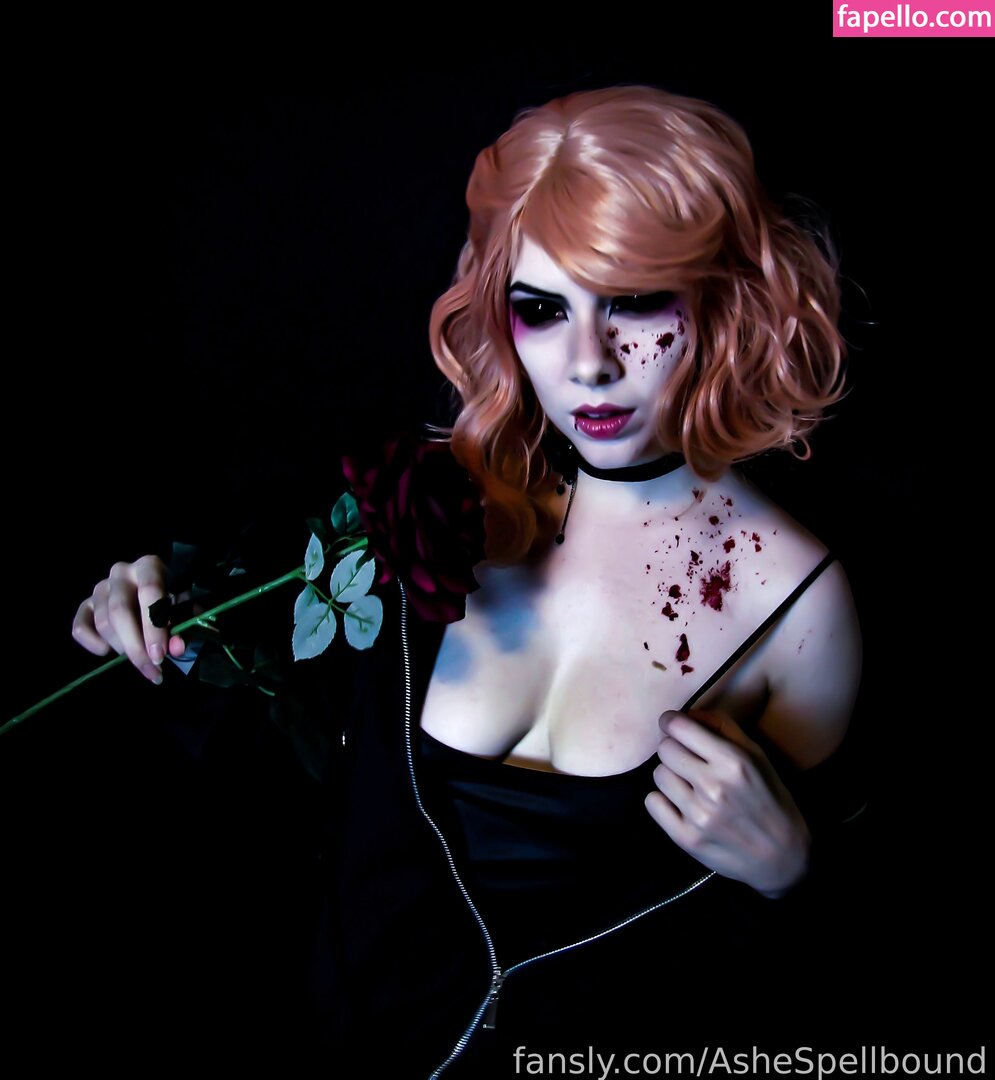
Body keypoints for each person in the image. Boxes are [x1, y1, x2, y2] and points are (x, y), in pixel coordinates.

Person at [71, 85, 863, 1076]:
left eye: (633, 300)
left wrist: (792, 872)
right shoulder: (431, 505)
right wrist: (168, 624)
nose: (588, 363)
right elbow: (286, 763)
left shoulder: (795, 607)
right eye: (542, 309)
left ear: (721, 296)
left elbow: (796, 989)